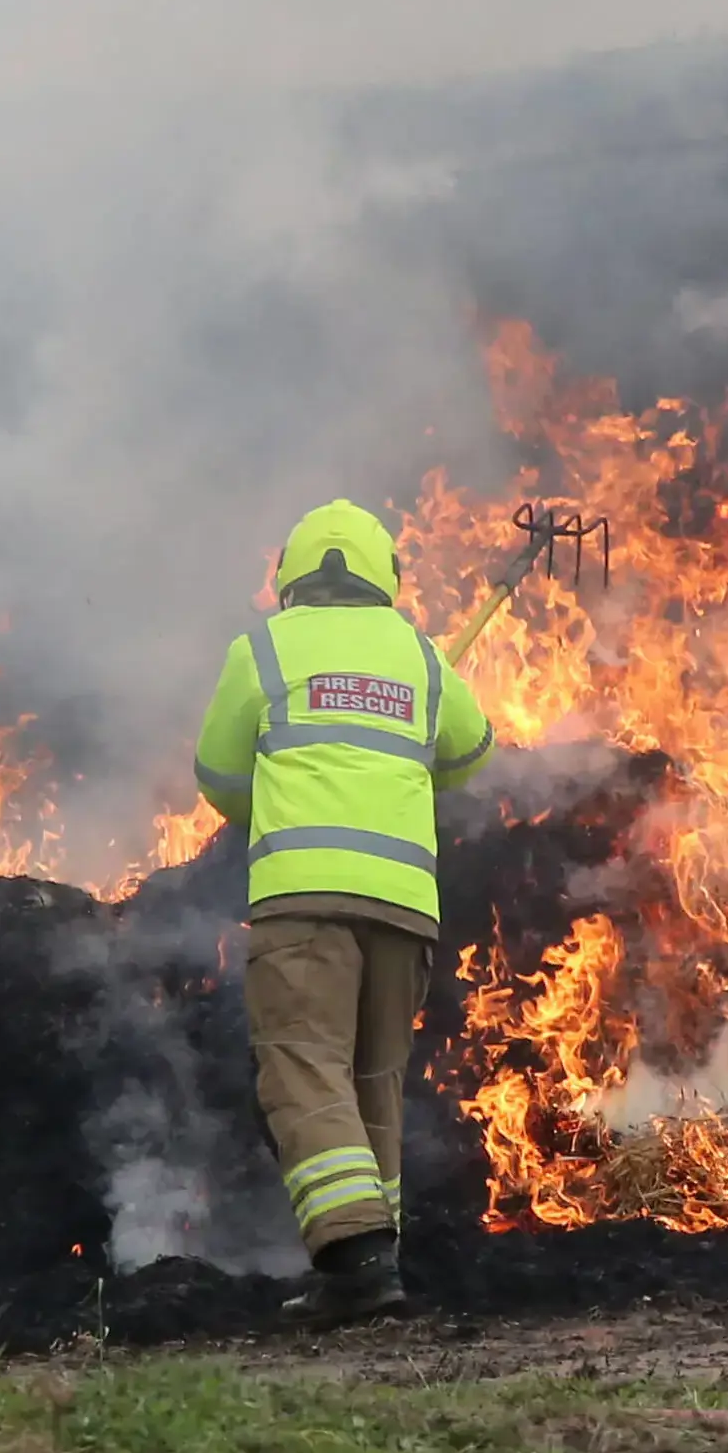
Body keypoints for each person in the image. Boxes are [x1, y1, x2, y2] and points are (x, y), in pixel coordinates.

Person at [193, 498, 496, 1327]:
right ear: (383, 576)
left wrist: (278, 802)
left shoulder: (264, 647)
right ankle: (372, 1264)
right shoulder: (422, 655)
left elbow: (217, 773)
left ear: (291, 574)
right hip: (404, 908)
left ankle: (355, 1253)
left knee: (302, 1060)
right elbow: (469, 753)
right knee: (372, 1081)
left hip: (304, 899)